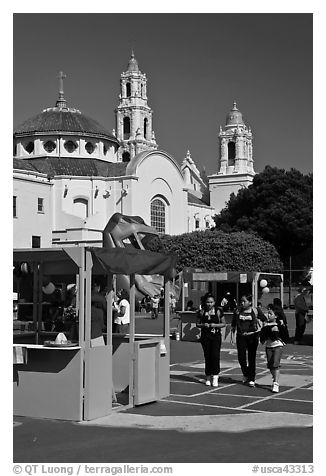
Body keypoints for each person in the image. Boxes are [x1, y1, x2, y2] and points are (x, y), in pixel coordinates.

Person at [231, 294, 266, 387]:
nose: (242, 303)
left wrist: (261, 328)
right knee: (241, 358)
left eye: (244, 301)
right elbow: (233, 324)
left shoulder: (255, 310)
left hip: (252, 336)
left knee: (251, 357)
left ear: (250, 302)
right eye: (241, 301)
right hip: (241, 336)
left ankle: (251, 378)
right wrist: (232, 337)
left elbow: (264, 319)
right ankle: (245, 373)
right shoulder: (237, 311)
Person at [196, 294, 226, 387]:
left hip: (216, 335)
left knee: (215, 355)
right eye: (208, 302)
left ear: (214, 302)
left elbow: (223, 323)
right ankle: (208, 376)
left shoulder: (218, 311)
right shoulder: (201, 311)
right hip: (205, 336)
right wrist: (203, 325)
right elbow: (197, 323)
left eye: (211, 302)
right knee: (207, 356)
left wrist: (214, 325)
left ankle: (215, 376)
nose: (210, 304)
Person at [260, 304, 288, 393]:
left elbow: (284, 334)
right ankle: (274, 377)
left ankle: (276, 383)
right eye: (268, 313)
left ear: (275, 316)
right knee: (270, 365)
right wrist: (267, 330)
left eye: (270, 314)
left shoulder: (279, 324)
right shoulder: (266, 325)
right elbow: (263, 336)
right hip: (269, 346)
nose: (268, 315)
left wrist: (277, 329)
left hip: (277, 345)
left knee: (275, 363)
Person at [90, 281, 106, 346]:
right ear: (98, 287)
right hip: (97, 332)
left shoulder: (85, 295)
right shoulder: (99, 312)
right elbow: (106, 308)